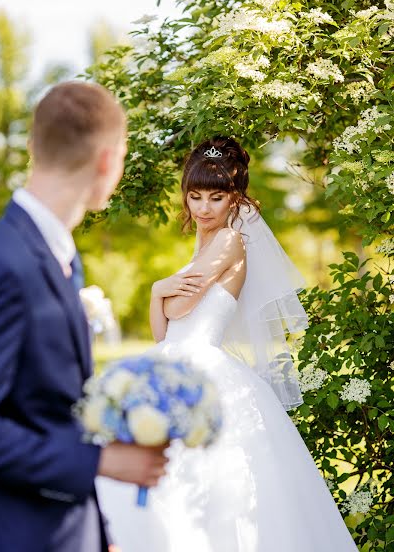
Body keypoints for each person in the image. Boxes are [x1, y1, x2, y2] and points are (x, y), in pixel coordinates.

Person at [97, 136, 358, 552]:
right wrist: (155, 291)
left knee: (211, 486)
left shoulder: (230, 241)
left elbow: (180, 309)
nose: (203, 208)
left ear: (235, 198)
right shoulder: (204, 243)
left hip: (207, 366)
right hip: (179, 359)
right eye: (195, 196)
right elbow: (161, 332)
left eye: (215, 197)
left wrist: (163, 290)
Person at [0, 81, 168, 552]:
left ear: (35, 146)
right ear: (109, 160)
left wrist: (98, 532)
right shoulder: (4, 261)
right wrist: (99, 463)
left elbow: (52, 412)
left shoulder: (61, 256)